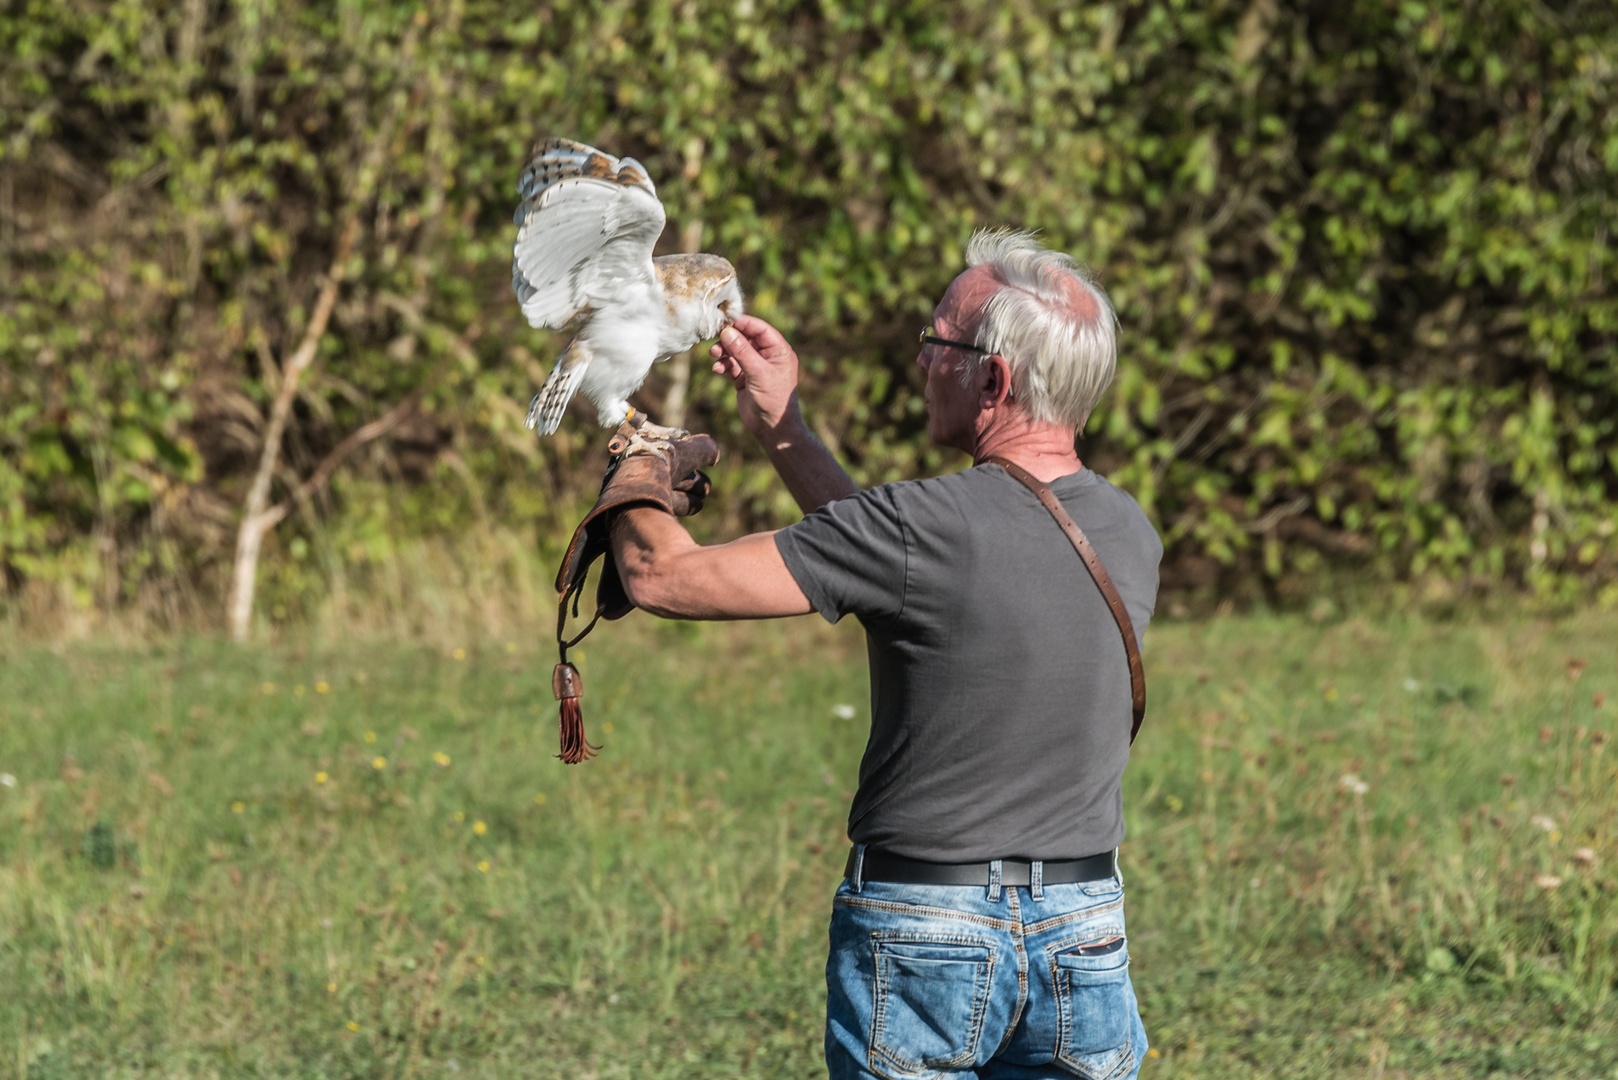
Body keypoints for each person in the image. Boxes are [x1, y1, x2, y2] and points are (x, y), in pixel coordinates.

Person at [609, 229, 1162, 1080]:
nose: (921, 360)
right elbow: (900, 570)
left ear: (994, 378)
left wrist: (635, 458)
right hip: (1085, 929)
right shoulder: (1130, 530)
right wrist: (780, 424)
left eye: (938, 341)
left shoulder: (923, 529)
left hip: (924, 927)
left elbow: (661, 575)